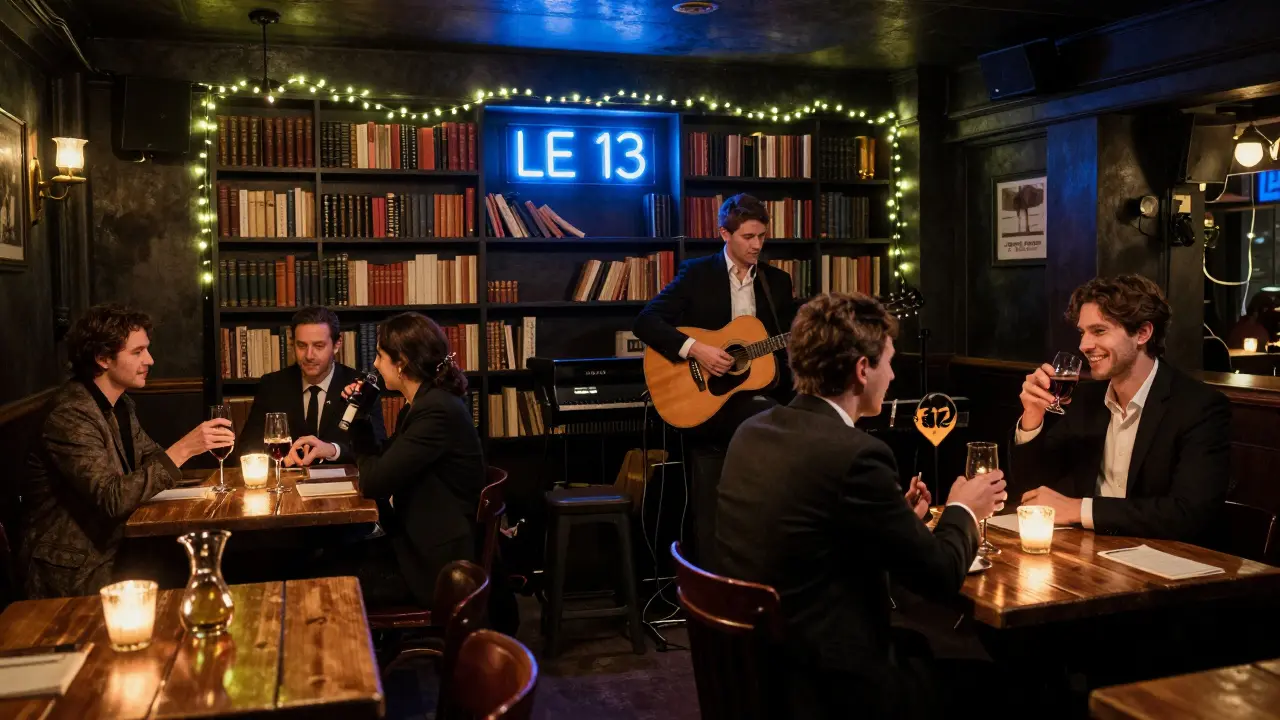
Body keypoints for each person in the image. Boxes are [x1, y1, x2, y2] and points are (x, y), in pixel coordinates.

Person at [713, 292, 1007, 719]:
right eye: (888, 362)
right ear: (862, 369)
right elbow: (940, 575)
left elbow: (811, 531)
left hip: (761, 669)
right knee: (1020, 688)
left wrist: (896, 517)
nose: (892, 375)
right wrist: (964, 508)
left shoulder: (752, 430)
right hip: (831, 685)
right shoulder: (855, 453)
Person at [20, 304, 235, 598]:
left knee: (210, 563)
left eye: (147, 350)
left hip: (118, 549)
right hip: (73, 569)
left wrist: (178, 456)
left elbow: (151, 459)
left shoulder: (120, 404)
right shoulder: (69, 414)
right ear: (103, 358)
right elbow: (112, 498)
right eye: (137, 352)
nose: (150, 360)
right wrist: (185, 447)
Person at [633, 193, 796, 565]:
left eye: (762, 237)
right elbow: (646, 322)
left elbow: (783, 343)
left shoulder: (777, 282)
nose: (757, 245)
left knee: (774, 412)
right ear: (725, 233)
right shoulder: (697, 274)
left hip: (754, 396)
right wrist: (697, 350)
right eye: (748, 237)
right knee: (767, 417)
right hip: (705, 399)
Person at [287, 312, 486, 606]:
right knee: (321, 558)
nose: (376, 365)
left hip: (433, 566)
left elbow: (374, 482)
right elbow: (383, 462)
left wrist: (358, 422)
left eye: (381, 356)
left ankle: (345, 649)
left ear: (401, 363)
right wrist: (361, 413)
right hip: (414, 543)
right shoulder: (420, 405)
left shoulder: (436, 411)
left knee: (321, 579)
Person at [1012, 274, 1231, 541]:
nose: (1084, 345)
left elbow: (1189, 513)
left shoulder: (1198, 407)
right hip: (1088, 555)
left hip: (1163, 561)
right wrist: (1032, 417)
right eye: (1083, 332)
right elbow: (1032, 488)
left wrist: (1078, 509)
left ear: (1142, 333)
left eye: (1099, 331)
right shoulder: (1086, 399)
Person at [238, 306, 384, 460]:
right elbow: (247, 447)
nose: (309, 355)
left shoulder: (361, 386)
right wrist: (278, 459)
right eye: (301, 346)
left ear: (337, 345)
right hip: (290, 480)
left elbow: (377, 450)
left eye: (318, 346)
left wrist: (333, 450)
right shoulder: (272, 385)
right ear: (292, 344)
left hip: (341, 482)